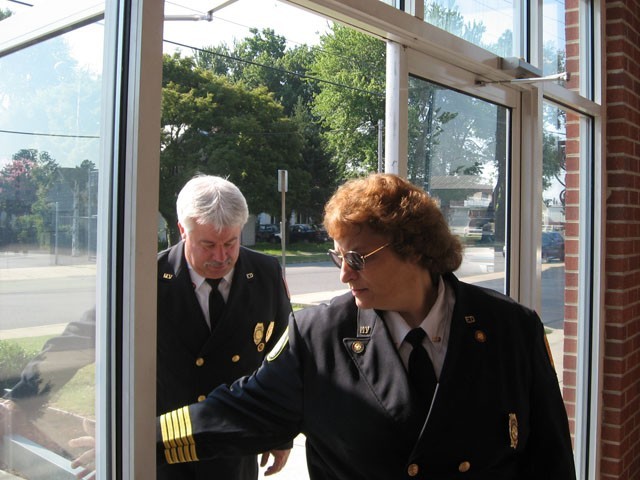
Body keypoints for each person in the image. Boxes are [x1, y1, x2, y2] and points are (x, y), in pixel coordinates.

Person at [156, 172, 577, 479]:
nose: (344, 275)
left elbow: (549, 457)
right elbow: (237, 410)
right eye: (339, 257)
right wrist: (137, 438)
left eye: (357, 258)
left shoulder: (511, 330)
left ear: (414, 249)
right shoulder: (319, 336)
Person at [156, 174, 292, 479]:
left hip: (233, 450)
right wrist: (29, 392)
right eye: (208, 245)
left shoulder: (265, 273)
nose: (221, 257)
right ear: (182, 231)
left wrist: (280, 433)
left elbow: (282, 358)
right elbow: (85, 335)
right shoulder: (151, 279)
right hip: (166, 452)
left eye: (231, 242)